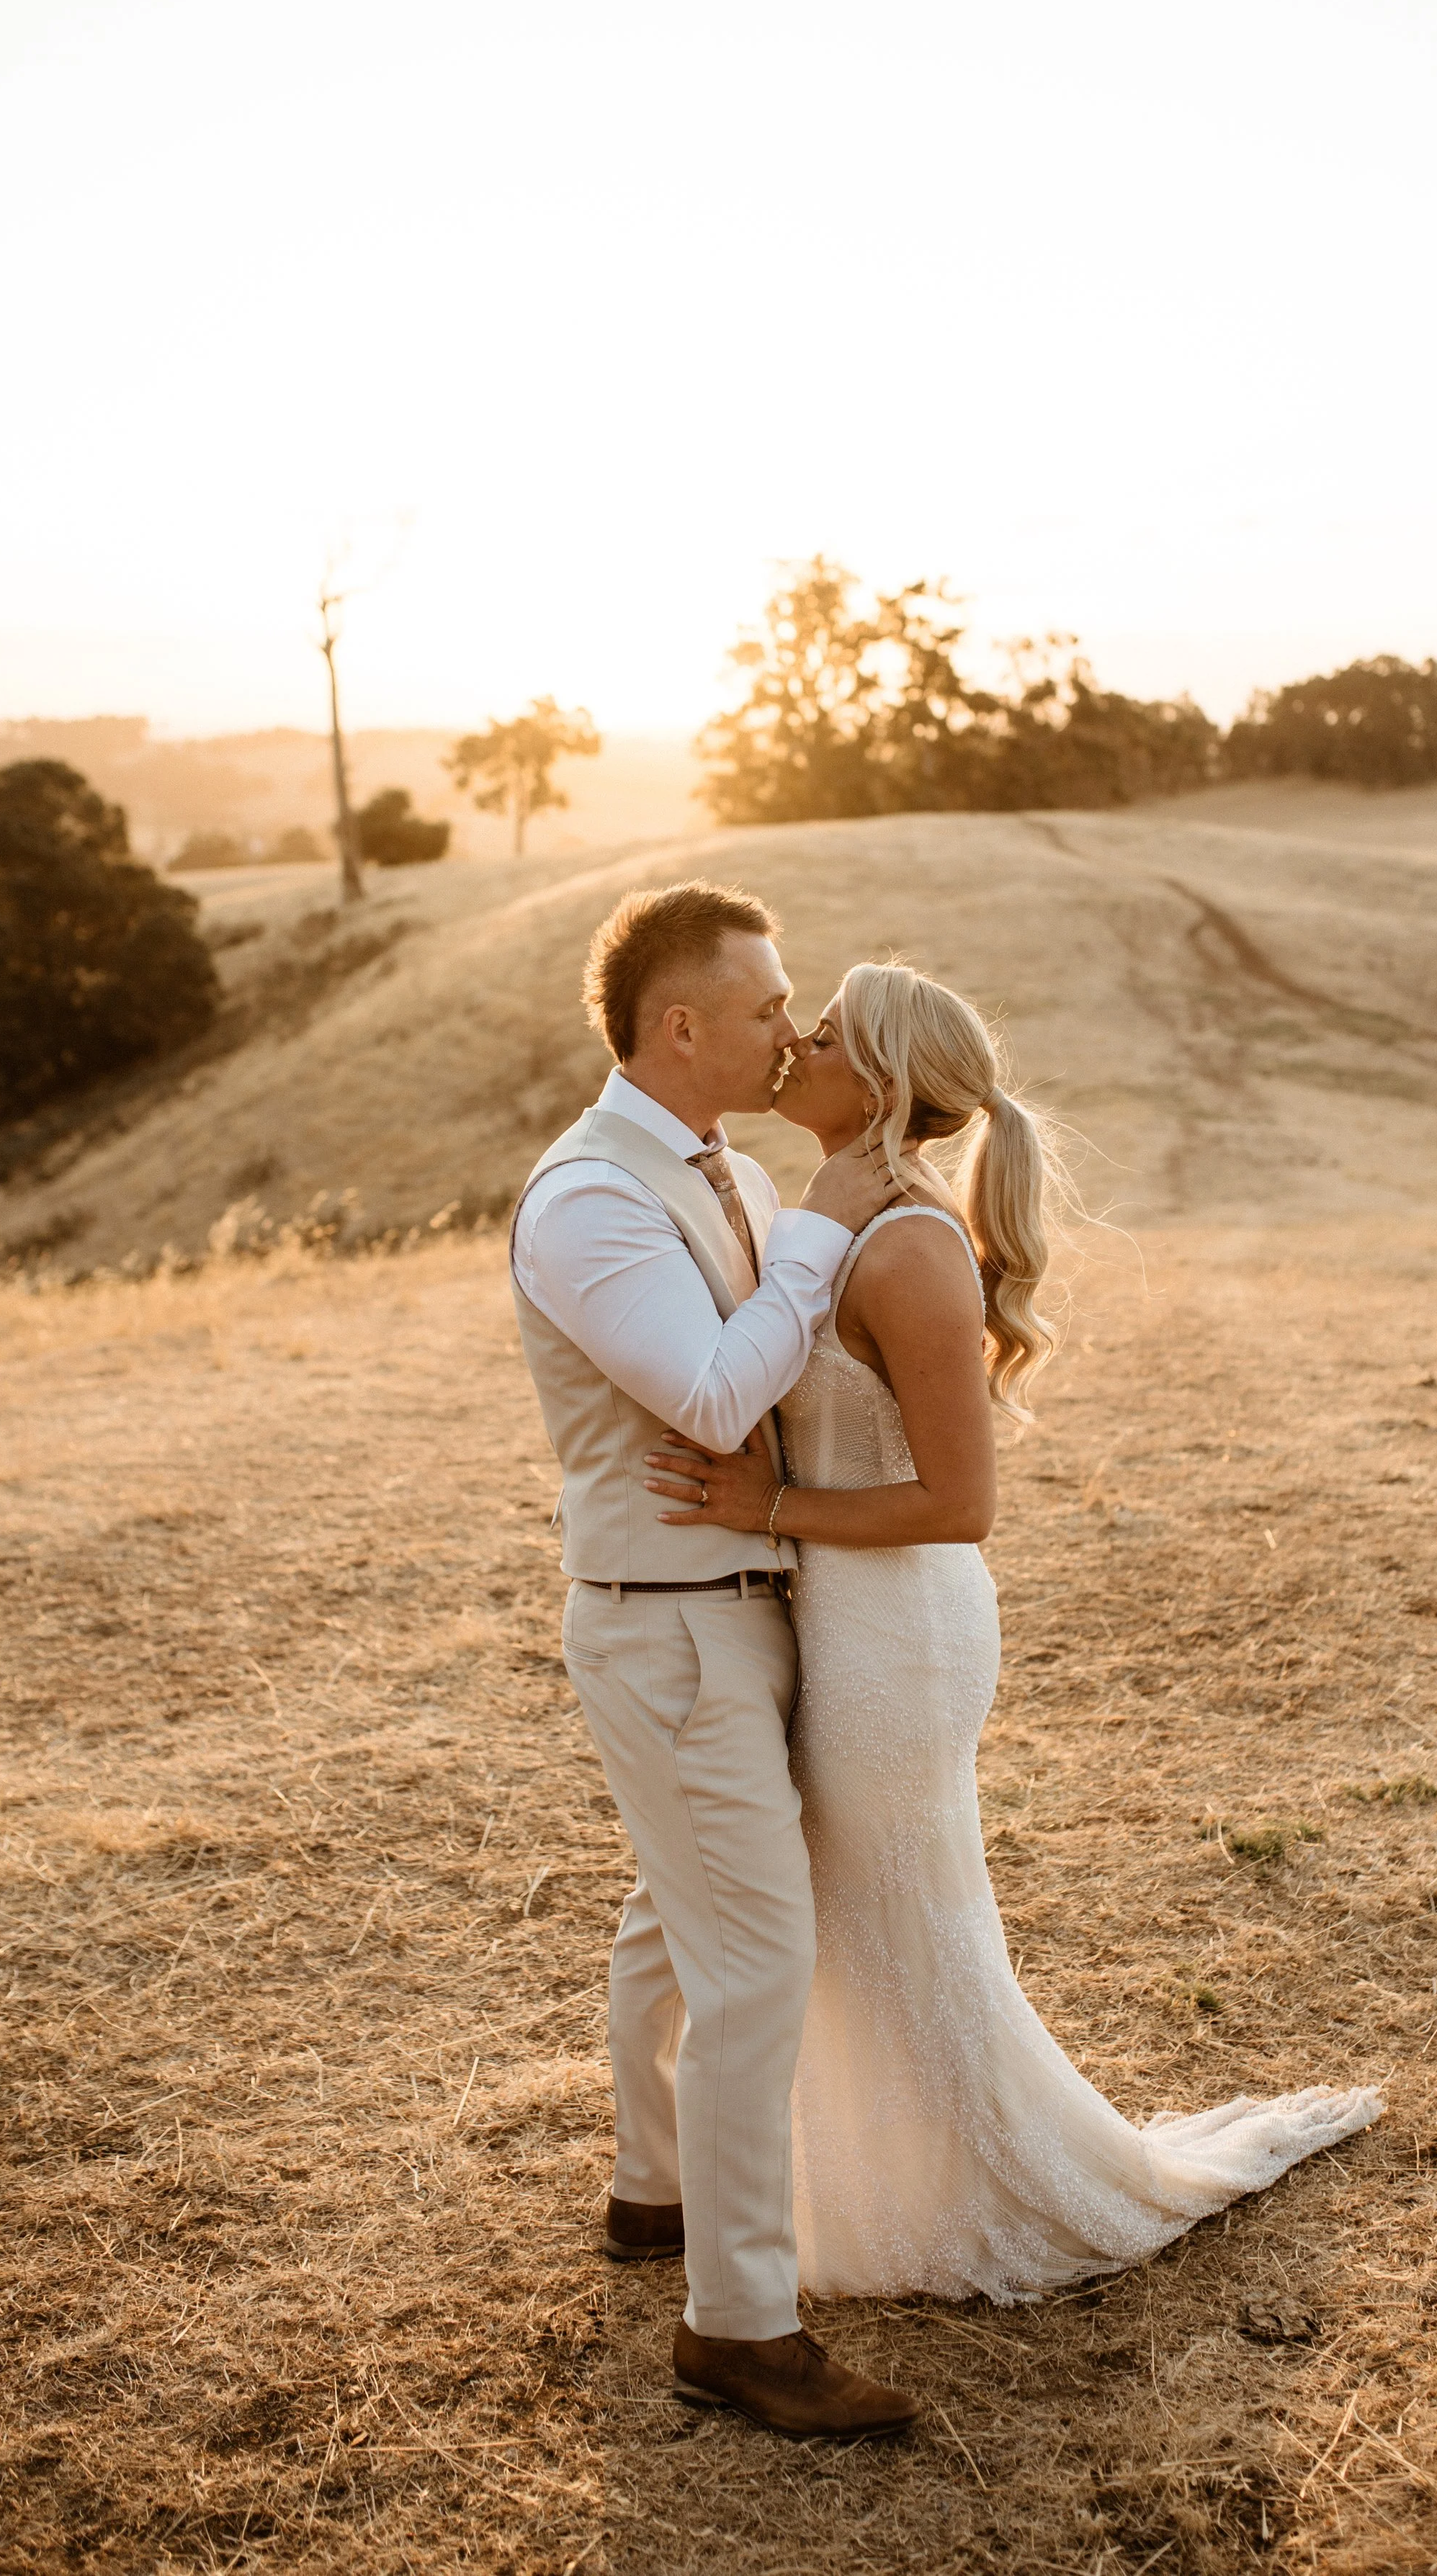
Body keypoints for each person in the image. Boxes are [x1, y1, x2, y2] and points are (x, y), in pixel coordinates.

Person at [645, 961, 1384, 2303]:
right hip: (847, 1613)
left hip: (898, 1636)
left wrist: (776, 1502)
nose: (794, 1043)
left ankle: (1008, 2184)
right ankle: (889, 2186)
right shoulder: (844, 1218)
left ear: (879, 1083)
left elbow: (961, 1502)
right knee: (865, 1917)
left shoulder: (911, 1245)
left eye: (825, 1032)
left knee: (905, 1919)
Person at [509, 881, 918, 2440]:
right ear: (677, 1024)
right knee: (755, 1957)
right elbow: (699, 1391)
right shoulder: (589, 1195)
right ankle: (738, 2324)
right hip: (670, 1615)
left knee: (673, 1919)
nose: (789, 1027)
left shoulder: (719, 1169)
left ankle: (650, 2187)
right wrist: (825, 1216)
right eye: (765, 1004)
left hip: (737, 1603)